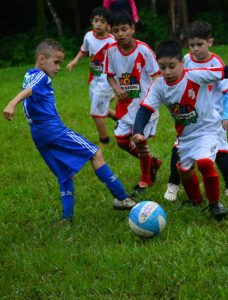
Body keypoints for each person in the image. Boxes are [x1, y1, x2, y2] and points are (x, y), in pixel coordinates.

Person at [133, 40, 228, 221]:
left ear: (182, 62)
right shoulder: (159, 86)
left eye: (172, 66)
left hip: (209, 129)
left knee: (205, 162)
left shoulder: (196, 76)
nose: (167, 72)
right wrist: (138, 130)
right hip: (186, 136)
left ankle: (215, 204)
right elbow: (145, 109)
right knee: (184, 171)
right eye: (162, 67)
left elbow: (227, 71)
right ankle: (195, 200)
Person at [3, 39, 137, 222]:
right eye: (56, 62)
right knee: (95, 153)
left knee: (64, 174)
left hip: (38, 134)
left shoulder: (30, 73)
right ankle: (122, 198)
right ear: (42, 59)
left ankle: (67, 218)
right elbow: (28, 90)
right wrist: (11, 103)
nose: (58, 67)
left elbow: (30, 89)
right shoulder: (40, 76)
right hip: (53, 130)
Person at [164, 20, 228, 202]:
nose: (196, 49)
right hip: (191, 116)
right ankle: (173, 185)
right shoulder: (185, 61)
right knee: (178, 148)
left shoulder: (216, 62)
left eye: (200, 44)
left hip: (214, 118)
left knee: (220, 150)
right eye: (192, 45)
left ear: (210, 42)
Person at [104, 11, 162, 194]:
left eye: (124, 29)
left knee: (140, 141)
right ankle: (151, 162)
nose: (120, 34)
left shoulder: (143, 49)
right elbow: (110, 76)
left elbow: (156, 76)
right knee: (121, 141)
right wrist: (117, 89)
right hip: (125, 105)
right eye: (116, 31)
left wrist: (150, 98)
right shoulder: (111, 51)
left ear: (132, 28)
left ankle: (145, 179)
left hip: (144, 106)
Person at [67, 7, 116, 145]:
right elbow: (84, 50)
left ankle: (104, 140)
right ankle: (121, 120)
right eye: (96, 21)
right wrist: (75, 61)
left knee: (96, 112)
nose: (99, 24)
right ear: (91, 22)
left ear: (108, 25)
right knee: (101, 107)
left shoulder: (113, 42)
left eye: (102, 21)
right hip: (93, 80)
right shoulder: (88, 36)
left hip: (107, 82)